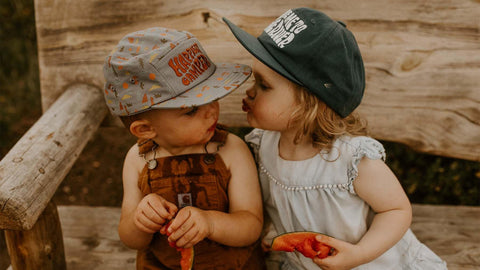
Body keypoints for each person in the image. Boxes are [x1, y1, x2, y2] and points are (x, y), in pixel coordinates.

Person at [223, 7, 447, 270]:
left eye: (264, 85)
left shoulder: (350, 159)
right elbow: (275, 202)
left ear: (308, 104)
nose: (249, 92)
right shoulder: (263, 146)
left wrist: (359, 253)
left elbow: (397, 211)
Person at [102, 27, 265, 269]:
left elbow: (251, 225)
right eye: (191, 110)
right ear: (145, 130)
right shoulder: (138, 159)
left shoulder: (230, 149)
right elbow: (131, 239)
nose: (211, 111)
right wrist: (141, 220)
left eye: (211, 96)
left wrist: (210, 223)